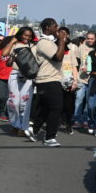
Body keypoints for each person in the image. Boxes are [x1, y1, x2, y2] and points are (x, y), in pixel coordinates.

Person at [26, 18, 67, 147]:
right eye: (55, 26)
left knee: (44, 108)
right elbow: (58, 57)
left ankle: (34, 129)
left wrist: (60, 40)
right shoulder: (44, 43)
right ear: (48, 28)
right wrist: (61, 40)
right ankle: (49, 137)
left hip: (48, 79)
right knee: (56, 107)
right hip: (48, 79)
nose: (57, 29)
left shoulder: (49, 42)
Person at [0, 27, 36, 136]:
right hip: (15, 74)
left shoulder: (34, 46)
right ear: (20, 35)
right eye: (25, 35)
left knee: (25, 103)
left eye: (29, 36)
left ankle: (23, 127)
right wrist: (11, 41)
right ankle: (15, 124)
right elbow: (4, 54)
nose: (27, 37)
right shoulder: (15, 45)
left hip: (28, 76)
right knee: (13, 102)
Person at [59, 27, 79, 134]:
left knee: (69, 106)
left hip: (69, 82)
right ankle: (55, 125)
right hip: (58, 82)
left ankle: (68, 124)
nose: (63, 37)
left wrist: (75, 81)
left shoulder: (71, 52)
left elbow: (74, 67)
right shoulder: (55, 51)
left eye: (65, 35)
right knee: (58, 105)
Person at [73, 31, 96, 128]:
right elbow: (77, 60)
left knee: (89, 101)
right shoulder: (81, 47)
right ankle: (76, 119)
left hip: (92, 78)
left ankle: (86, 120)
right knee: (79, 99)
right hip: (81, 78)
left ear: (95, 38)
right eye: (88, 38)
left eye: (92, 38)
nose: (90, 40)